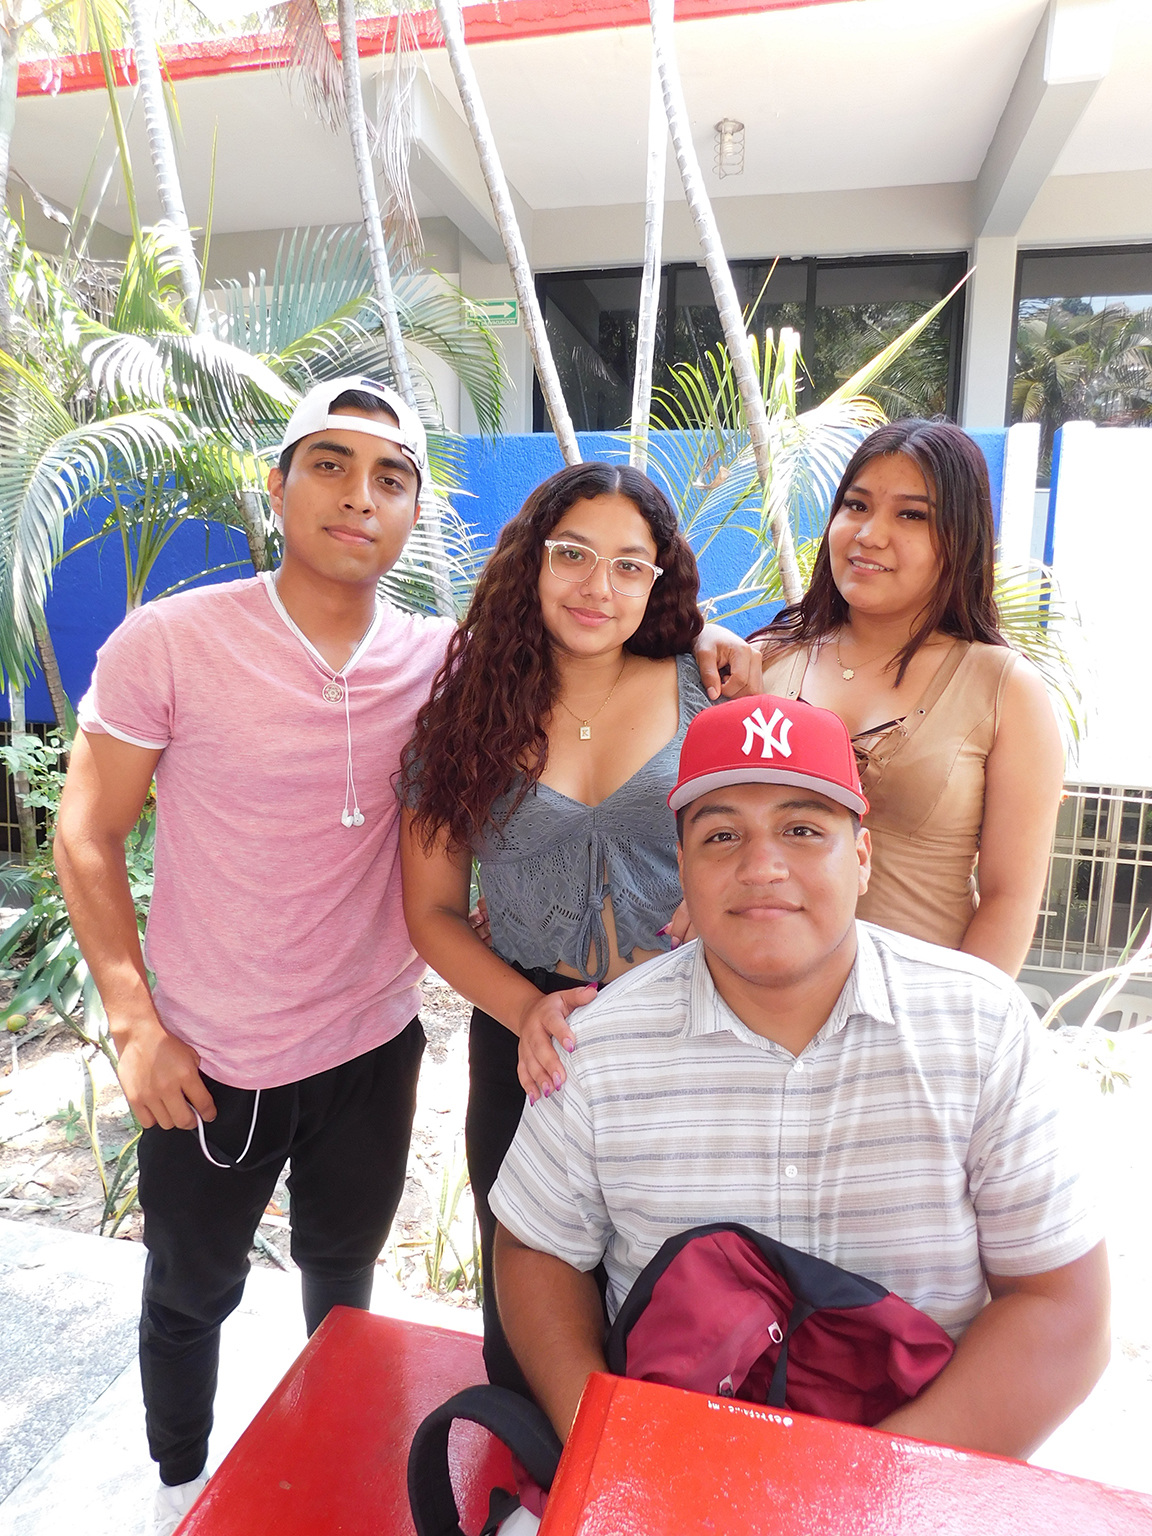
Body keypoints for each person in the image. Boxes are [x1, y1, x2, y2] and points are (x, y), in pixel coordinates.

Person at [491, 693, 1108, 1457]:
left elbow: (1060, 1304)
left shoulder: (980, 1028)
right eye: (722, 835)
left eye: (803, 829)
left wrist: (859, 1485)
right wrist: (604, 1435)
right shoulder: (602, 1044)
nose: (762, 868)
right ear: (681, 867)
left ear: (863, 857)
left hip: (918, 1468)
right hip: (673, 1462)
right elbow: (536, 1248)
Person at [55, 379, 457, 1536]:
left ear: (412, 513)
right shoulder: (173, 643)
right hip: (210, 1055)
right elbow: (85, 831)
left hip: (372, 1044)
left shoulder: (442, 659)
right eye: (329, 464)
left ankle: (335, 1461)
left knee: (345, 1279)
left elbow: (603, 646)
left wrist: (712, 639)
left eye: (390, 477)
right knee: (190, 1294)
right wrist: (134, 1022)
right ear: (276, 487)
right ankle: (178, 1482)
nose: (359, 495)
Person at [400, 462, 761, 1394]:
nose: (598, 586)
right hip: (528, 1045)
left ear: (659, 579)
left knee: (685, 1310)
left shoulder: (708, 692)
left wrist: (721, 886)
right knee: (527, 1313)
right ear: (532, 559)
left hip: (686, 1032)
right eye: (573, 555)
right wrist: (525, 1010)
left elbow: (783, 839)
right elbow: (431, 911)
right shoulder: (466, 717)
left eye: (629, 565)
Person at [751, 419, 1063, 976]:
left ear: (960, 538)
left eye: (912, 515)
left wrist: (963, 1019)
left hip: (922, 1011)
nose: (870, 534)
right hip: (760, 996)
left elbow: (1009, 898)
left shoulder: (1005, 690)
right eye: (856, 506)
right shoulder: (769, 660)